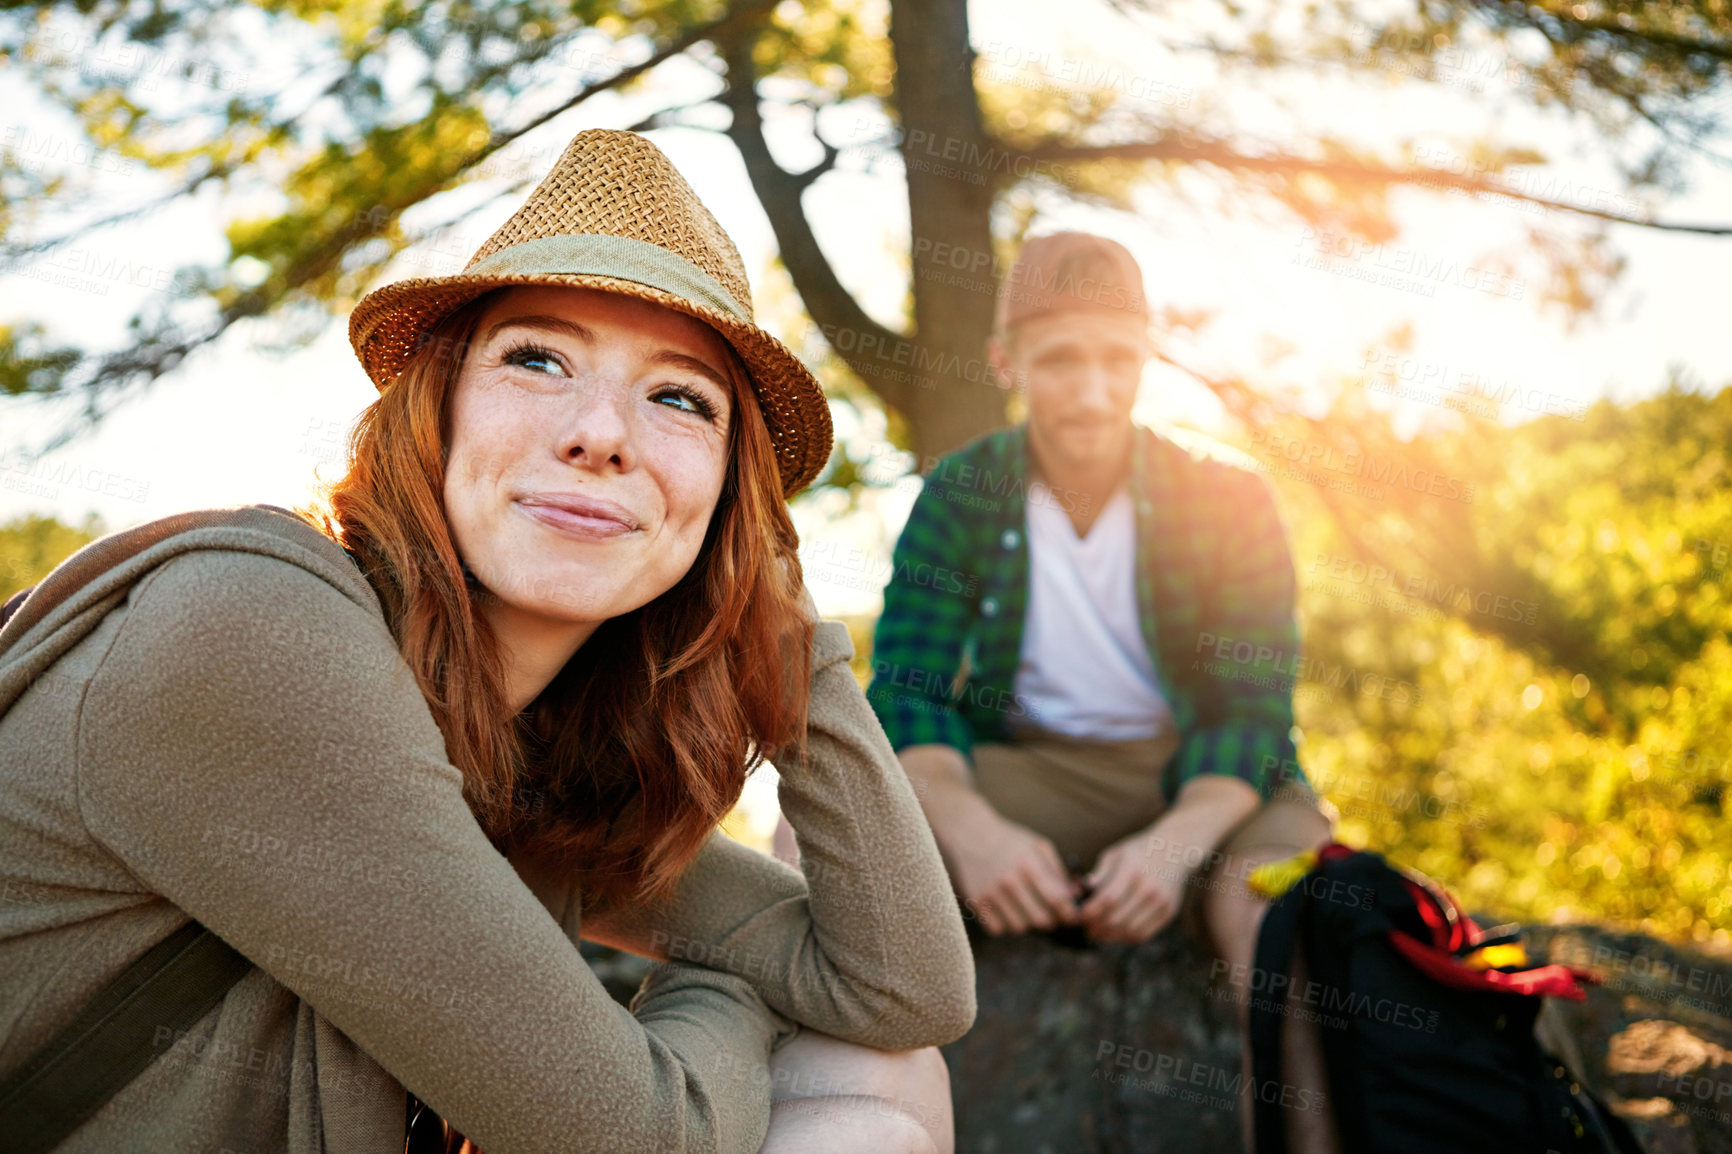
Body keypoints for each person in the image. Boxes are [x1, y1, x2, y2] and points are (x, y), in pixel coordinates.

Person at [0, 129, 974, 1154]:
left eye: (679, 397)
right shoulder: (248, 633)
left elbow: (901, 987)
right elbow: (644, 1140)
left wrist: (784, 644)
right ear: (436, 414)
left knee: (876, 1077)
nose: (601, 432)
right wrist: (720, 972)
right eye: (537, 358)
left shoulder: (529, 755)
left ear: (725, 496)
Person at [861, 231, 1337, 1151]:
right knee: (816, 833)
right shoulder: (962, 493)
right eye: (1060, 361)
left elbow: (1252, 714)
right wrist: (971, 829)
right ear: (1007, 361)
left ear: (1147, 356)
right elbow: (908, 690)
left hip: (1213, 785)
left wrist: (1173, 848)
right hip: (1039, 769)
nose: (1091, 392)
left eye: (1118, 359)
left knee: (1274, 909)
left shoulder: (1229, 497)